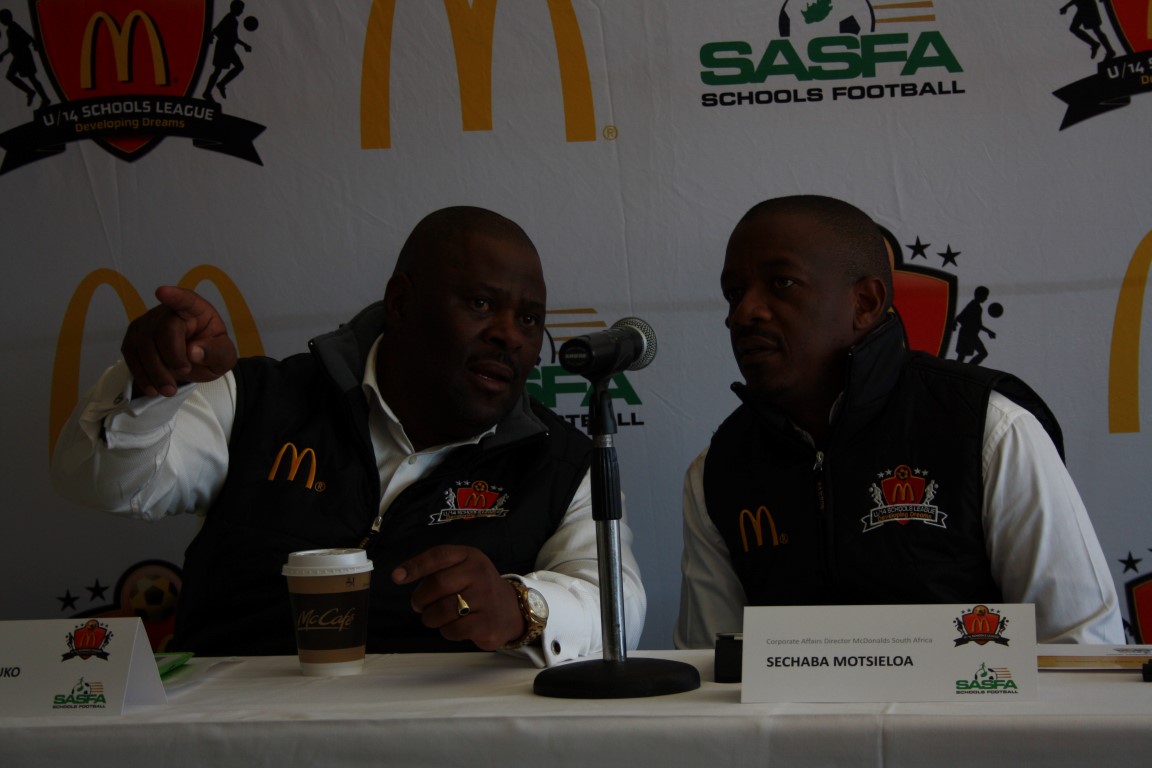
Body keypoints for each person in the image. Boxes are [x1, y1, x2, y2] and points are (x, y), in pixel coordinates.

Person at [52, 206, 646, 666]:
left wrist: (521, 608)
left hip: (440, 743)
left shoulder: (562, 460)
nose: (510, 336)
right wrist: (155, 385)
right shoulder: (259, 399)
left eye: (529, 319)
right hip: (234, 737)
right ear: (400, 302)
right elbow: (104, 483)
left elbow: (618, 606)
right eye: (481, 303)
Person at [675, 194, 1123, 648]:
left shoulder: (990, 430)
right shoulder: (718, 470)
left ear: (866, 302)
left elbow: (1081, 649)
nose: (744, 313)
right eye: (734, 293)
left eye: (782, 283)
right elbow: (711, 665)